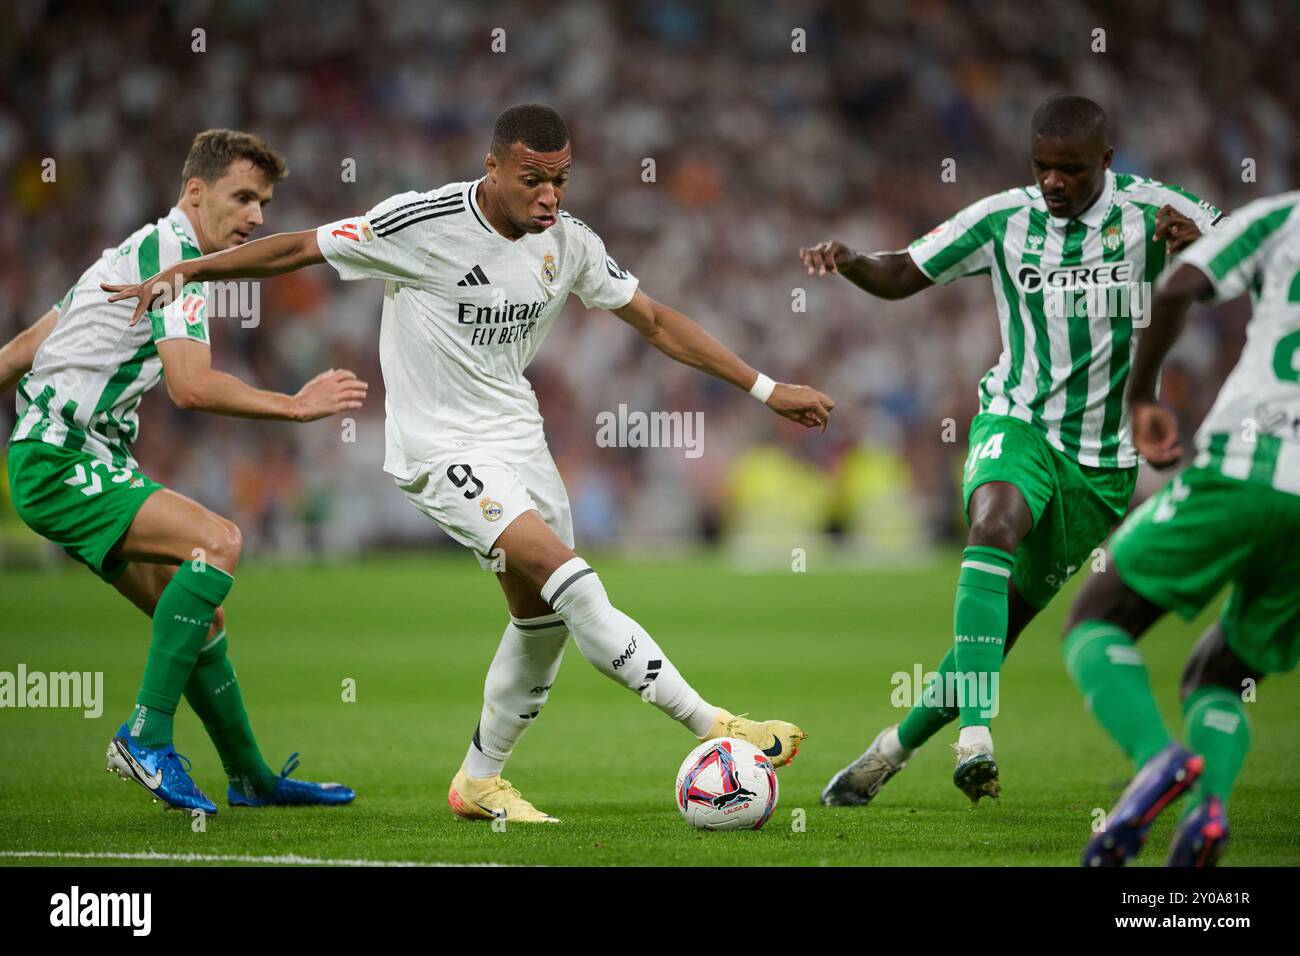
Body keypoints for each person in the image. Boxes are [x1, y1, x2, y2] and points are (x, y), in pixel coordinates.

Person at [105, 104, 836, 823]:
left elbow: (654, 320)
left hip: (518, 440)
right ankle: (716, 724)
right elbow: (299, 247)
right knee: (573, 581)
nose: (549, 196)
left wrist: (765, 388)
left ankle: (479, 782)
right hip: (439, 448)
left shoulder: (569, 242)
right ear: (492, 168)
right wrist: (193, 270)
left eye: (562, 179)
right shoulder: (419, 225)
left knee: (541, 620)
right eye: (532, 180)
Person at [802, 94, 1223, 805]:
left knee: (1004, 624)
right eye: (1043, 167)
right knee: (992, 523)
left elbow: (1250, 252)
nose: (1054, 182)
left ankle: (888, 752)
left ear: (1108, 164)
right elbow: (904, 272)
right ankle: (977, 736)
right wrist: (851, 262)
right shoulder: (1004, 219)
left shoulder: (1158, 210)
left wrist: (1201, 247)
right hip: (1016, 417)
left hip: (1103, 461)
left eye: (1071, 170)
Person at [1, 129, 366, 814]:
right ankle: (144, 738)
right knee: (219, 541)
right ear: (193, 192)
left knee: (206, 616)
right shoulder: (176, 261)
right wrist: (293, 405)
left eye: (264, 202)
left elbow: (23, 349)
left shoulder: (129, 252)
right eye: (244, 198)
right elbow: (190, 387)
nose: (258, 217)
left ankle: (251, 778)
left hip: (73, 460)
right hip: (60, 461)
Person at [1062, 190, 1300, 866]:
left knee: (1096, 619)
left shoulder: (1282, 218)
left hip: (1247, 465)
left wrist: (1140, 398)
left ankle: (1158, 761)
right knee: (1219, 673)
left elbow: (1175, 290)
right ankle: (1210, 812)